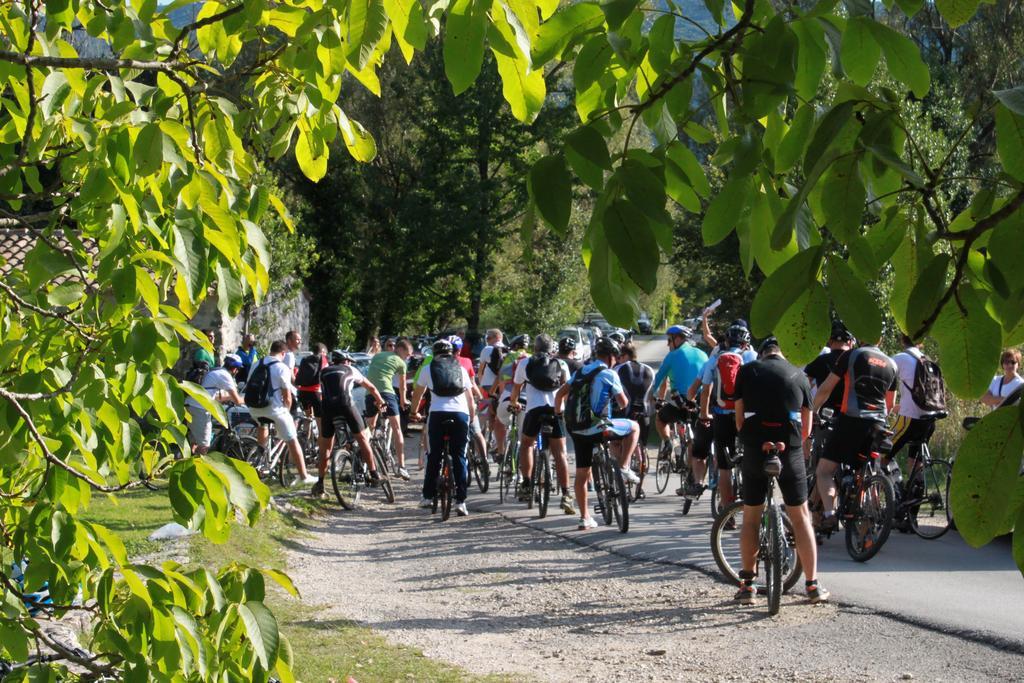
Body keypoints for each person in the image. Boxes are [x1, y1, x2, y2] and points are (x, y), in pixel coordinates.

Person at [733, 337, 829, 604]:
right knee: (801, 517)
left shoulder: (747, 371)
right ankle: (813, 586)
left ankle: (747, 587)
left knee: (751, 517)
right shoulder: (798, 374)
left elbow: (739, 420)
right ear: (782, 353)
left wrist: (753, 437)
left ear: (762, 354)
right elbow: (808, 427)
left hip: (755, 448)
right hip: (790, 450)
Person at [812, 339, 898, 531]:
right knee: (866, 471)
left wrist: (813, 412)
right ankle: (867, 522)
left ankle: (829, 515)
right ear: (881, 339)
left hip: (851, 419)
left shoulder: (851, 355)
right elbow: (890, 404)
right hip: (878, 423)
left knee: (824, 471)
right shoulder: (892, 364)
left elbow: (826, 388)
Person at [554, 337, 639, 530]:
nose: (616, 360)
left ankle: (585, 518)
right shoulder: (609, 373)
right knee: (634, 427)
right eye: (615, 357)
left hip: (576, 429)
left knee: (582, 474)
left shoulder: (581, 371)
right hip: (600, 428)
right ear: (610, 357)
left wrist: (560, 415)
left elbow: (559, 395)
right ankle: (624, 467)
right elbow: (624, 402)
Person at [509, 334, 576, 514]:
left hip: (534, 410)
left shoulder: (525, 363)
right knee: (560, 452)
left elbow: (516, 389)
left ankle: (527, 483)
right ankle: (566, 495)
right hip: (555, 410)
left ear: (535, 347)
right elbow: (567, 389)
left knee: (526, 445)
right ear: (552, 348)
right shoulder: (561, 364)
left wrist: (513, 403)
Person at [411, 339, 476, 517]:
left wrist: (413, 413)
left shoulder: (428, 369)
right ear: (452, 353)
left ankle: (428, 496)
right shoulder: (461, 370)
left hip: (438, 414)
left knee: (434, 455)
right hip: (460, 415)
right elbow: (470, 400)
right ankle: (461, 502)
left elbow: (418, 394)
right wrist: (471, 418)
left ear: (435, 353)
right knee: (459, 457)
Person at [314, 350, 387, 497]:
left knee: (326, 447)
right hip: (346, 405)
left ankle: (320, 483)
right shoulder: (351, 369)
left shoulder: (323, 371)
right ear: (346, 361)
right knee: (362, 438)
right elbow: (371, 388)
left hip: (327, 408)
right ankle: (374, 475)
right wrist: (381, 402)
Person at [698, 324, 752, 509]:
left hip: (721, 416)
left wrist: (704, 414)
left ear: (727, 341)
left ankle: (727, 510)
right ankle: (753, 504)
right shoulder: (751, 357)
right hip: (745, 416)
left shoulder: (716, 359)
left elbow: (706, 390)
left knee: (724, 468)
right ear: (746, 343)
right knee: (750, 459)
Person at [249, 340, 317, 486]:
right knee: (292, 439)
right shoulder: (282, 367)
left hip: (254, 408)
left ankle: (261, 459)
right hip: (274, 410)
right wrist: (287, 412)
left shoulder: (257, 364)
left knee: (263, 425)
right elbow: (287, 397)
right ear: (283, 353)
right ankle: (304, 476)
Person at [652, 325, 710, 494]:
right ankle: (692, 478)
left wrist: (652, 399)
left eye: (669, 340)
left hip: (680, 402)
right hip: (699, 403)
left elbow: (658, 380)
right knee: (693, 439)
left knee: (660, 419)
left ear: (678, 339)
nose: (667, 344)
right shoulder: (703, 354)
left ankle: (669, 444)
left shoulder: (672, 356)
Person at [890, 335, 945, 474]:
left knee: (880, 452)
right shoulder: (927, 360)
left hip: (909, 419)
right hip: (930, 418)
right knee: (914, 462)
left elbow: (883, 375)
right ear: (920, 342)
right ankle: (917, 491)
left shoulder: (900, 358)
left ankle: (891, 488)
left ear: (902, 340)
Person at [365, 338, 413, 480]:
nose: (408, 357)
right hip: (386, 393)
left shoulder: (378, 355)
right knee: (397, 428)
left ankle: (364, 464)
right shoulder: (401, 363)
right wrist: (403, 401)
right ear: (401, 350)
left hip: (370, 393)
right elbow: (403, 385)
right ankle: (402, 466)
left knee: (370, 428)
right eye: (408, 354)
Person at [185, 354, 245, 454]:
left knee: (194, 442)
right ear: (235, 369)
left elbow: (215, 397)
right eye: (238, 369)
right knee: (204, 445)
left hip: (190, 405)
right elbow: (238, 400)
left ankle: (189, 462)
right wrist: (247, 399)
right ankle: (199, 467)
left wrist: (229, 398)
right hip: (200, 409)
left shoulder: (215, 371)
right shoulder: (225, 375)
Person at [615, 342, 655, 491]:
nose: (618, 359)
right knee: (642, 447)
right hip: (644, 414)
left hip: (626, 414)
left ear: (625, 356)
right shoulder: (650, 370)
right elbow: (652, 394)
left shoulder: (618, 369)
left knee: (618, 444)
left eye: (620, 356)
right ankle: (640, 487)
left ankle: (622, 472)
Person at [493, 335, 530, 462]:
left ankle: (501, 451)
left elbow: (503, 381)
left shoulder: (510, 357)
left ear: (514, 346)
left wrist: (500, 398)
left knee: (499, 421)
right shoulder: (531, 358)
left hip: (509, 397)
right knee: (525, 440)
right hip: (528, 400)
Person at [804, 321, 855, 412]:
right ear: (850, 342)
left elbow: (804, 385)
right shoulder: (856, 361)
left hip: (822, 412)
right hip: (850, 414)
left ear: (830, 341)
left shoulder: (819, 360)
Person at [295, 343, 328, 430]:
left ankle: (306, 440)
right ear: (322, 351)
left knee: (308, 417)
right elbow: (325, 375)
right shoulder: (323, 358)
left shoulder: (304, 359)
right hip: (315, 393)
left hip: (302, 392)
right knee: (320, 421)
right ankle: (321, 441)